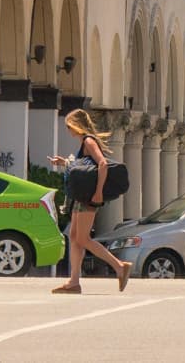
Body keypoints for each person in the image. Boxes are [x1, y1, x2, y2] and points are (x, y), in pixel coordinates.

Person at [47, 109, 129, 294]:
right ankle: (74, 281)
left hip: (90, 197)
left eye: (69, 126)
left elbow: (102, 164)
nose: (69, 130)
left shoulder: (89, 141)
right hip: (83, 196)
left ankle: (119, 267)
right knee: (74, 236)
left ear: (77, 125)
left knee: (82, 238)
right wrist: (65, 163)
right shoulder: (85, 143)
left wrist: (98, 192)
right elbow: (85, 169)